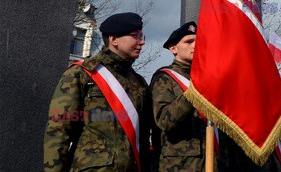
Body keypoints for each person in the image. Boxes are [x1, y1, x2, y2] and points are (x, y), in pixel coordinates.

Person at [44, 12, 151, 171]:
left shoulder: (139, 82)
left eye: (142, 36)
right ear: (113, 40)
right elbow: (58, 131)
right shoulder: (81, 74)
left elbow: (143, 137)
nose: (141, 42)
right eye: (135, 36)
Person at [150, 21, 208, 171]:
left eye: (198, 41)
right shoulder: (164, 78)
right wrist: (192, 94)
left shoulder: (208, 78)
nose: (195, 45)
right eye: (189, 41)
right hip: (181, 166)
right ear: (173, 48)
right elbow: (164, 121)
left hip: (213, 162)